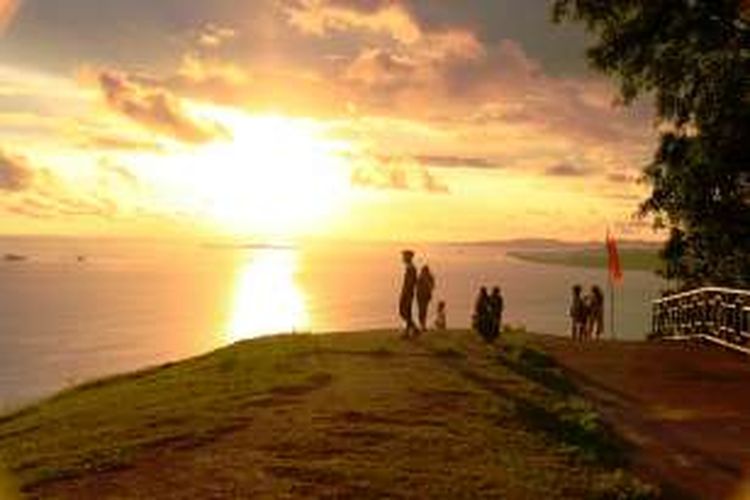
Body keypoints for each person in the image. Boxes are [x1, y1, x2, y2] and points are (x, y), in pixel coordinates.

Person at [399, 250, 418, 338]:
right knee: (406, 312)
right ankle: (409, 331)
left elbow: (410, 283)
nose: (402, 258)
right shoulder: (409, 268)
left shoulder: (411, 269)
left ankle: (414, 329)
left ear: (408, 258)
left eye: (404, 256)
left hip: (408, 294)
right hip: (407, 293)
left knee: (404, 312)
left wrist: (405, 294)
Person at [416, 265, 436, 334]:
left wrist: (428, 286)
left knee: (423, 310)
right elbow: (417, 286)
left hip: (424, 296)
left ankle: (423, 325)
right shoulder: (421, 277)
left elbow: (432, 286)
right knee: (422, 310)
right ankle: (422, 325)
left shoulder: (429, 277)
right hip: (421, 296)